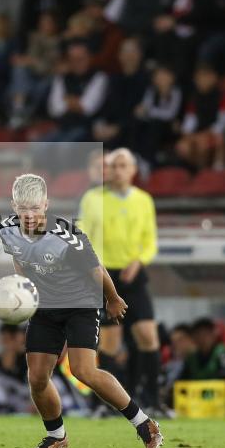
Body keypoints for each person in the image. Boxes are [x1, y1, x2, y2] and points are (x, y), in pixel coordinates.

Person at [0, 173, 163, 448]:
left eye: (35, 208)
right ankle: (56, 436)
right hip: (45, 306)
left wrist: (112, 299)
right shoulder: (6, 229)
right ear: (13, 206)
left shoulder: (66, 236)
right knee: (37, 377)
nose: (29, 215)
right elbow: (18, 256)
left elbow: (97, 270)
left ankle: (144, 423)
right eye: (23, 208)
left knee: (83, 370)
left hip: (81, 304)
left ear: (46, 205)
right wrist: (24, 290)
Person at [77, 149, 161, 413]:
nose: (117, 170)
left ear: (133, 170)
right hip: (103, 275)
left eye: (123, 165)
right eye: (113, 166)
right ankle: (109, 404)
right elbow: (82, 235)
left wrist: (139, 261)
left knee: (148, 336)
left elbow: (150, 240)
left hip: (133, 273)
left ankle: (153, 399)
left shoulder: (144, 200)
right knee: (110, 343)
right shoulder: (92, 199)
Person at [179, 318, 225, 416]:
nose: (202, 339)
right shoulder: (192, 359)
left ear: (213, 335)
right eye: (198, 335)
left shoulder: (223, 354)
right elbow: (183, 380)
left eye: (205, 334)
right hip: (202, 405)